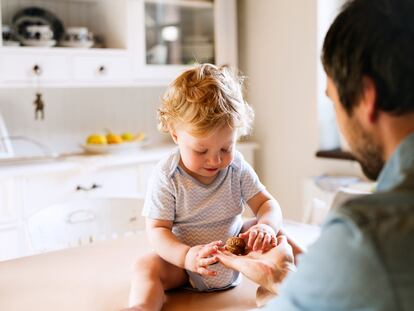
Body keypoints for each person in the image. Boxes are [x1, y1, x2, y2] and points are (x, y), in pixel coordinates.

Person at [217, 0, 414, 309]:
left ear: (366, 97)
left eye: (333, 102)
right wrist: (292, 277)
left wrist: (278, 285)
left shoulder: (365, 236)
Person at [122, 64, 283, 311]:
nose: (215, 160)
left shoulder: (236, 167)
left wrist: (266, 227)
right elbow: (157, 230)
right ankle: (142, 307)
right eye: (201, 150)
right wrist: (186, 256)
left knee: (279, 237)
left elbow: (266, 204)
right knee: (146, 266)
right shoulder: (168, 176)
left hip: (237, 260)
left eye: (225, 148)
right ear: (176, 135)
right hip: (185, 268)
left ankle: (300, 285)